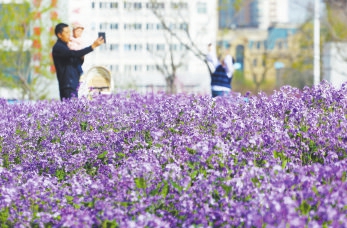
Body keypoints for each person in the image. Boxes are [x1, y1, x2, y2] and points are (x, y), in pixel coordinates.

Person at [52, 23, 104, 101]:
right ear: (59, 35)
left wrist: (81, 57)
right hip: (67, 84)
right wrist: (92, 46)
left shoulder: (68, 45)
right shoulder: (59, 47)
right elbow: (73, 54)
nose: (69, 35)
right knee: (69, 109)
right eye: (66, 33)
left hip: (74, 83)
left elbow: (76, 60)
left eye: (69, 32)